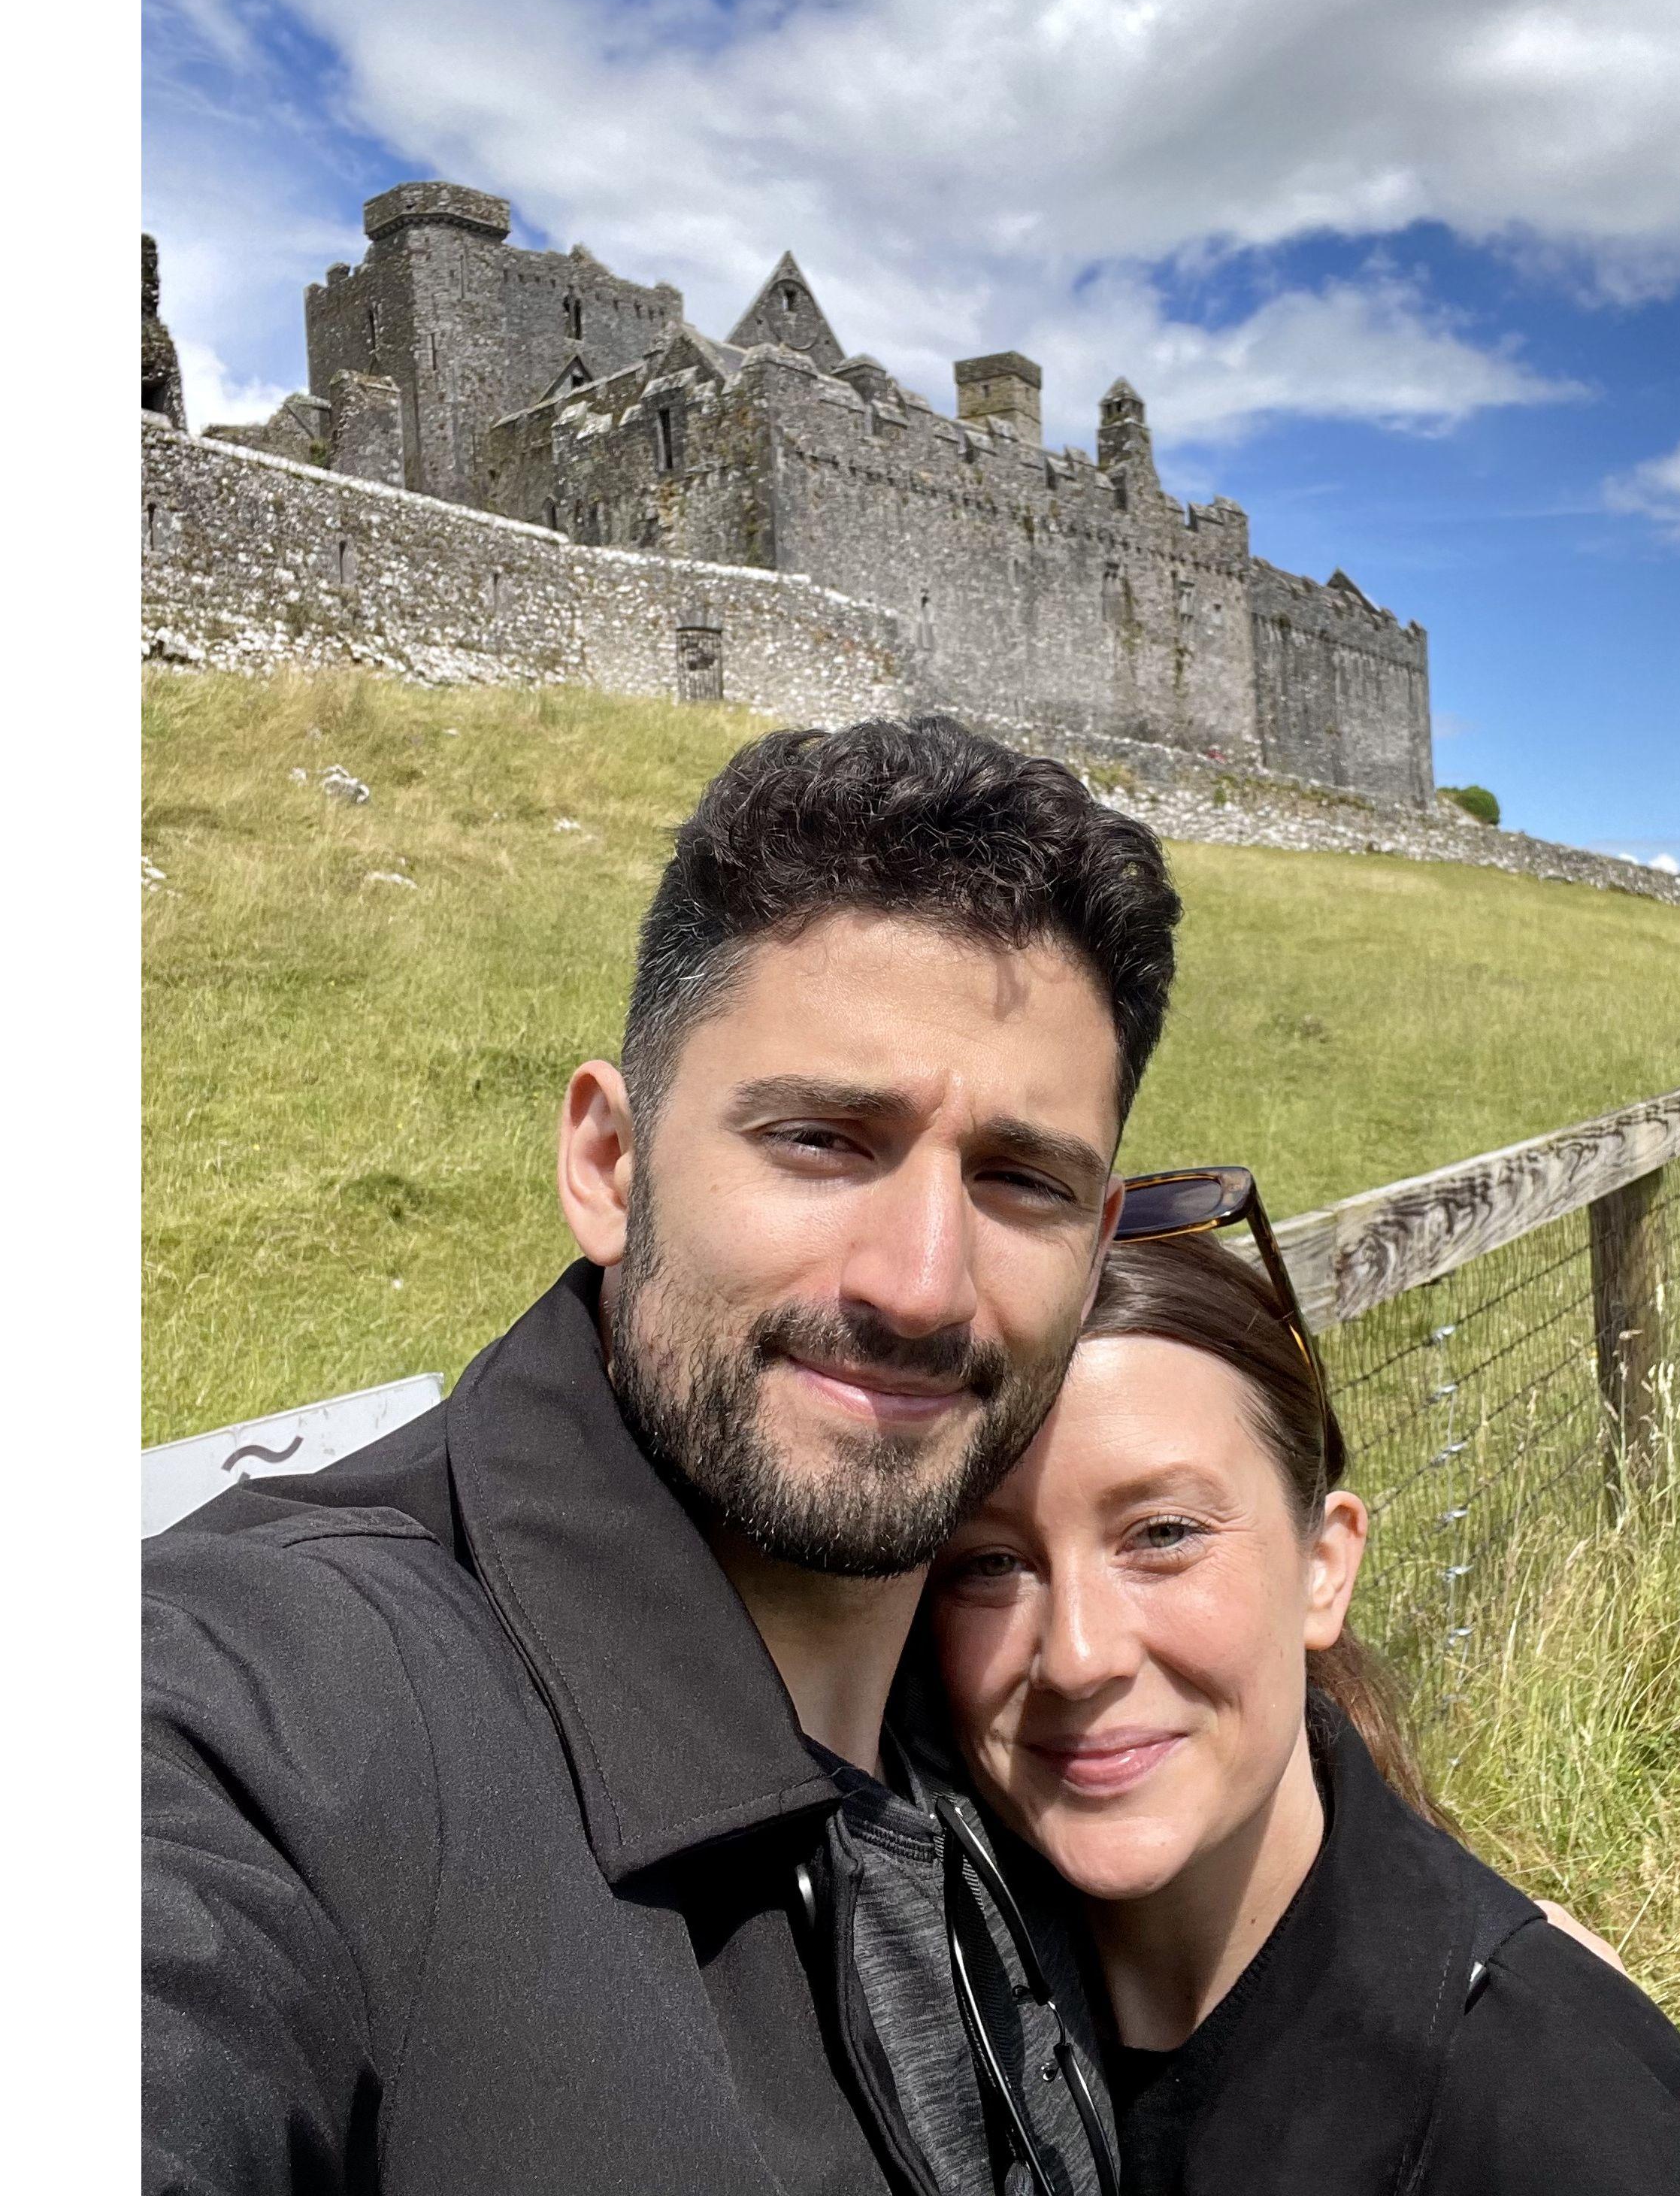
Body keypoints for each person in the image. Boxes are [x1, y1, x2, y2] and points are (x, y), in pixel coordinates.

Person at [144, 716, 1176, 2194]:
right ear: (608, 1165)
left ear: (1096, 1235)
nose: (920, 1281)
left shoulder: (1034, 1700)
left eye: (1021, 1179)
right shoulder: (257, 1714)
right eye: (822, 1137)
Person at [928, 1218, 1680, 2194]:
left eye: (1164, 1533)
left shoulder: (1540, 2105)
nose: (1079, 1655)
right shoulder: (932, 2006)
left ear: (1323, 1569)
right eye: (991, 1563)